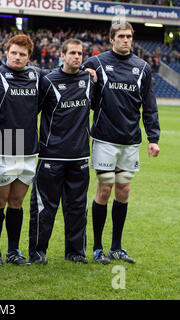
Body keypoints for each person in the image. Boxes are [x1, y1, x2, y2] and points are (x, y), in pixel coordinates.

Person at [82, 21, 160, 264]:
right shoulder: (97, 63)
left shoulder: (143, 67)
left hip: (130, 141)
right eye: (121, 36)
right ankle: (97, 247)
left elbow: (149, 105)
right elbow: (72, 79)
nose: (126, 40)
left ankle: (116, 246)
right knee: (104, 189)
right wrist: (86, 77)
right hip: (105, 139)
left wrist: (153, 138)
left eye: (129, 36)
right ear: (111, 39)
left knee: (123, 191)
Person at [29, 39, 96, 265]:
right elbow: (33, 111)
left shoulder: (88, 79)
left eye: (80, 53)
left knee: (77, 207)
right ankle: (38, 251)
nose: (77, 57)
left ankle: (76, 251)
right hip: (51, 155)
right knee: (44, 208)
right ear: (63, 55)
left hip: (79, 156)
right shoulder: (47, 81)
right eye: (73, 53)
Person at [0, 34, 48, 266]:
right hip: (0, 148)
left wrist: (87, 69)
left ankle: (13, 250)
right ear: (6, 52)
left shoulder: (36, 75)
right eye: (14, 52)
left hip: (29, 149)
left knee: (17, 203)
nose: (18, 57)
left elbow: (63, 75)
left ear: (29, 57)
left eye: (23, 54)